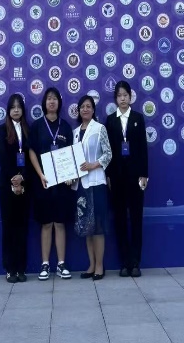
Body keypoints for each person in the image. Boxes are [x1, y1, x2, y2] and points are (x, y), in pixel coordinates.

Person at [28, 87, 74, 280]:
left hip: (63, 184)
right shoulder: (37, 126)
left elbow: (72, 153)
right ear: (44, 103)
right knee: (46, 224)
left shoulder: (66, 126)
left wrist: (71, 175)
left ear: (59, 103)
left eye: (55, 98)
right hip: (44, 183)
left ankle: (61, 264)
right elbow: (31, 151)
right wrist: (40, 174)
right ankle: (45, 264)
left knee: (60, 223)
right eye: (49, 98)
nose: (52, 101)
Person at [105, 81, 149, 278]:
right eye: (119, 95)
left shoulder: (138, 118)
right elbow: (107, 151)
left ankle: (136, 262)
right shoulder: (110, 120)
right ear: (115, 98)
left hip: (135, 177)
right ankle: (124, 263)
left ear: (130, 97)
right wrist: (108, 175)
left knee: (136, 220)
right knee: (120, 220)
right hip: (117, 178)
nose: (122, 98)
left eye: (125, 95)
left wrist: (144, 174)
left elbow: (143, 148)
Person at [72, 95, 112, 281]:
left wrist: (92, 165)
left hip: (96, 183)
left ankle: (99, 266)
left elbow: (108, 154)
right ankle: (91, 264)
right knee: (86, 227)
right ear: (78, 110)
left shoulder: (100, 128)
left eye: (88, 106)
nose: (85, 109)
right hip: (81, 185)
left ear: (93, 109)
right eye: (82, 107)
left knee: (98, 227)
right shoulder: (74, 132)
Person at [0, 93, 31, 283]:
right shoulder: (2, 130)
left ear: (22, 110)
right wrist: (13, 179)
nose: (16, 110)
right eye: (13, 107)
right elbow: (2, 156)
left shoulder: (28, 130)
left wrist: (22, 177)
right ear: (8, 110)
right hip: (6, 185)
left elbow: (32, 157)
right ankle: (10, 269)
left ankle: (21, 269)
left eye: (19, 107)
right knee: (9, 227)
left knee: (22, 227)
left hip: (25, 185)